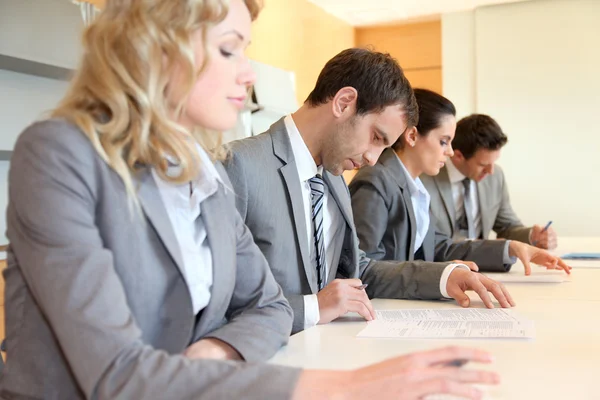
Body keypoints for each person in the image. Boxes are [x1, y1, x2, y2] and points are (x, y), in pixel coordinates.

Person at [0, 1, 500, 399]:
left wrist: (211, 354)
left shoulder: (199, 169)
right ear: (155, 47)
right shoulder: (57, 155)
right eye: (228, 51)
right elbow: (117, 374)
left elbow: (267, 307)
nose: (248, 76)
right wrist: (344, 388)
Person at [223, 48, 516, 338]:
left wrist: (446, 276)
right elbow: (217, 305)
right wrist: (312, 308)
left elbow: (358, 271)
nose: (374, 159)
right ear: (344, 103)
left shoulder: (333, 177)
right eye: (376, 137)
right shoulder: (238, 166)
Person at [349, 89, 569, 276]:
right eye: (444, 141)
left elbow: (440, 247)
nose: (451, 152)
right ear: (412, 136)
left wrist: (509, 248)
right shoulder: (376, 181)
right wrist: (440, 275)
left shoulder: (413, 186)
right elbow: (365, 270)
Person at [421, 113, 558, 250]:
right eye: (483, 164)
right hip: (443, 264)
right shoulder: (424, 178)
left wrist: (532, 236)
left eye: (494, 162)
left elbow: (506, 226)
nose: (491, 171)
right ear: (458, 156)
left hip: (484, 264)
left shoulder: (495, 176)